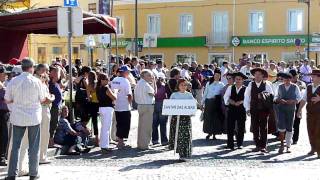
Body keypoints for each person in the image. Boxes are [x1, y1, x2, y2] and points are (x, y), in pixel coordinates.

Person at [5, 58, 46, 180]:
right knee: (33, 146)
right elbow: (42, 99)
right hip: (33, 116)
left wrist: (16, 101)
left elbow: (7, 99)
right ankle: (33, 173)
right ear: (32, 67)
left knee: (15, 146)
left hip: (18, 116)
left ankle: (12, 174)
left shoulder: (13, 81)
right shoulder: (37, 81)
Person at [244, 67, 274, 153]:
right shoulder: (250, 84)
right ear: (253, 75)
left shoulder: (267, 84)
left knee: (264, 127)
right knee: (255, 127)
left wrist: (264, 96)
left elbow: (272, 96)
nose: (257, 76)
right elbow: (247, 97)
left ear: (262, 76)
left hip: (264, 109)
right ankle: (257, 145)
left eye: (259, 74)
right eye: (256, 74)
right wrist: (247, 109)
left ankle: (263, 146)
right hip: (253, 108)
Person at [275, 73, 301, 153]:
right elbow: (275, 97)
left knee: (289, 127)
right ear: (282, 80)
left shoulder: (295, 87)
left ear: (291, 79)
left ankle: (288, 146)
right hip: (281, 109)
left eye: (288, 80)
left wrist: (293, 101)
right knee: (281, 127)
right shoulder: (279, 87)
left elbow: (299, 98)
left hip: (291, 109)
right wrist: (279, 100)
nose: (287, 81)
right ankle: (282, 144)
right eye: (285, 80)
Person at [169, 78, 195, 160]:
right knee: (178, 136)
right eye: (182, 85)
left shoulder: (189, 95)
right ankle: (180, 153)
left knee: (186, 135)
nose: (183, 86)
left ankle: (185, 152)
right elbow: (170, 106)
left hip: (186, 118)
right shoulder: (174, 95)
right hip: (176, 118)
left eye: (185, 85)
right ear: (178, 86)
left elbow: (193, 106)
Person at [297, 69, 320, 159]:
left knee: (318, 132)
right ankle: (313, 148)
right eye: (312, 76)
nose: (312, 78)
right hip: (310, 113)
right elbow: (303, 99)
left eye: (313, 76)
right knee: (310, 131)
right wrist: (299, 110)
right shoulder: (309, 86)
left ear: (319, 77)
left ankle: (319, 150)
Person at [35, 64, 55, 164]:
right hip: (42, 109)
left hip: (42, 109)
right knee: (43, 134)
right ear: (42, 71)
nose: (48, 73)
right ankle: (41, 157)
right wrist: (52, 97)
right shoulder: (39, 82)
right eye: (47, 71)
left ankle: (42, 156)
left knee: (44, 134)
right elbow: (45, 100)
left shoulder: (42, 81)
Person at [224, 72, 247, 150]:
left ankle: (240, 144)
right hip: (232, 109)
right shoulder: (231, 87)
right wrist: (232, 102)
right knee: (230, 127)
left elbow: (247, 99)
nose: (237, 80)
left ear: (243, 80)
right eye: (236, 79)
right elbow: (226, 97)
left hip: (241, 109)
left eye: (239, 79)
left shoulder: (246, 89)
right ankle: (230, 144)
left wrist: (241, 102)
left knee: (241, 127)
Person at [111, 65, 133, 149]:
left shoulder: (114, 80)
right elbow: (129, 94)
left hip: (116, 105)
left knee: (119, 124)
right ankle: (120, 142)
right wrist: (130, 104)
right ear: (124, 72)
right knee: (125, 124)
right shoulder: (125, 81)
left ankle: (120, 141)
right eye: (128, 72)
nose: (129, 73)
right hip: (124, 106)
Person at [134, 69, 156, 150]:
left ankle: (141, 144)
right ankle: (145, 145)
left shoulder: (139, 83)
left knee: (141, 126)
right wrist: (153, 83)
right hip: (147, 106)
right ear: (143, 76)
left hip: (141, 106)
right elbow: (153, 93)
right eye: (149, 75)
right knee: (146, 127)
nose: (151, 77)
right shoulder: (145, 84)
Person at [202, 68, 225, 140]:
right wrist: (202, 103)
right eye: (215, 75)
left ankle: (215, 133)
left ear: (220, 76)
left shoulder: (221, 84)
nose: (217, 76)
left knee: (216, 118)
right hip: (208, 102)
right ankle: (209, 132)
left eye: (218, 75)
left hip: (216, 103)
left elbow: (222, 94)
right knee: (208, 118)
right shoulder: (209, 83)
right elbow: (205, 93)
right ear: (214, 75)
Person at [96, 73, 117, 153]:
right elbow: (114, 98)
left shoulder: (98, 88)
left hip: (101, 108)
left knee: (104, 127)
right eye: (106, 79)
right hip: (107, 108)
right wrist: (115, 91)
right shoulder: (106, 87)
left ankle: (104, 145)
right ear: (102, 80)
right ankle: (104, 146)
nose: (108, 81)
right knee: (106, 128)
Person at [289, 69, 306, 144]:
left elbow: (303, 95)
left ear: (296, 76)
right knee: (288, 122)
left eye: (293, 77)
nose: (292, 78)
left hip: (298, 103)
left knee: (297, 121)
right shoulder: (287, 82)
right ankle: (287, 137)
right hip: (289, 104)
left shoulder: (301, 83)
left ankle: (295, 138)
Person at [48, 66, 63, 147]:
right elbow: (57, 77)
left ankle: (51, 141)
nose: (57, 74)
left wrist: (60, 69)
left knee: (55, 124)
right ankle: (50, 142)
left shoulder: (56, 83)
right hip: (53, 107)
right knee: (53, 124)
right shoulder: (51, 82)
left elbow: (61, 77)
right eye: (55, 72)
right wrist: (59, 69)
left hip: (57, 106)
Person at [86, 71, 99, 146]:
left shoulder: (89, 85)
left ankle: (97, 139)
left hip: (93, 104)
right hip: (100, 103)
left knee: (94, 121)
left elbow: (89, 98)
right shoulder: (98, 84)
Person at [0, 66, 9, 166]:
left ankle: (2, 157)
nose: (6, 75)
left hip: (4, 113)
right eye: (4, 73)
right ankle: (1, 157)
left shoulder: (3, 85)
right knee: (3, 136)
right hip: (1, 113)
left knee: (3, 136)